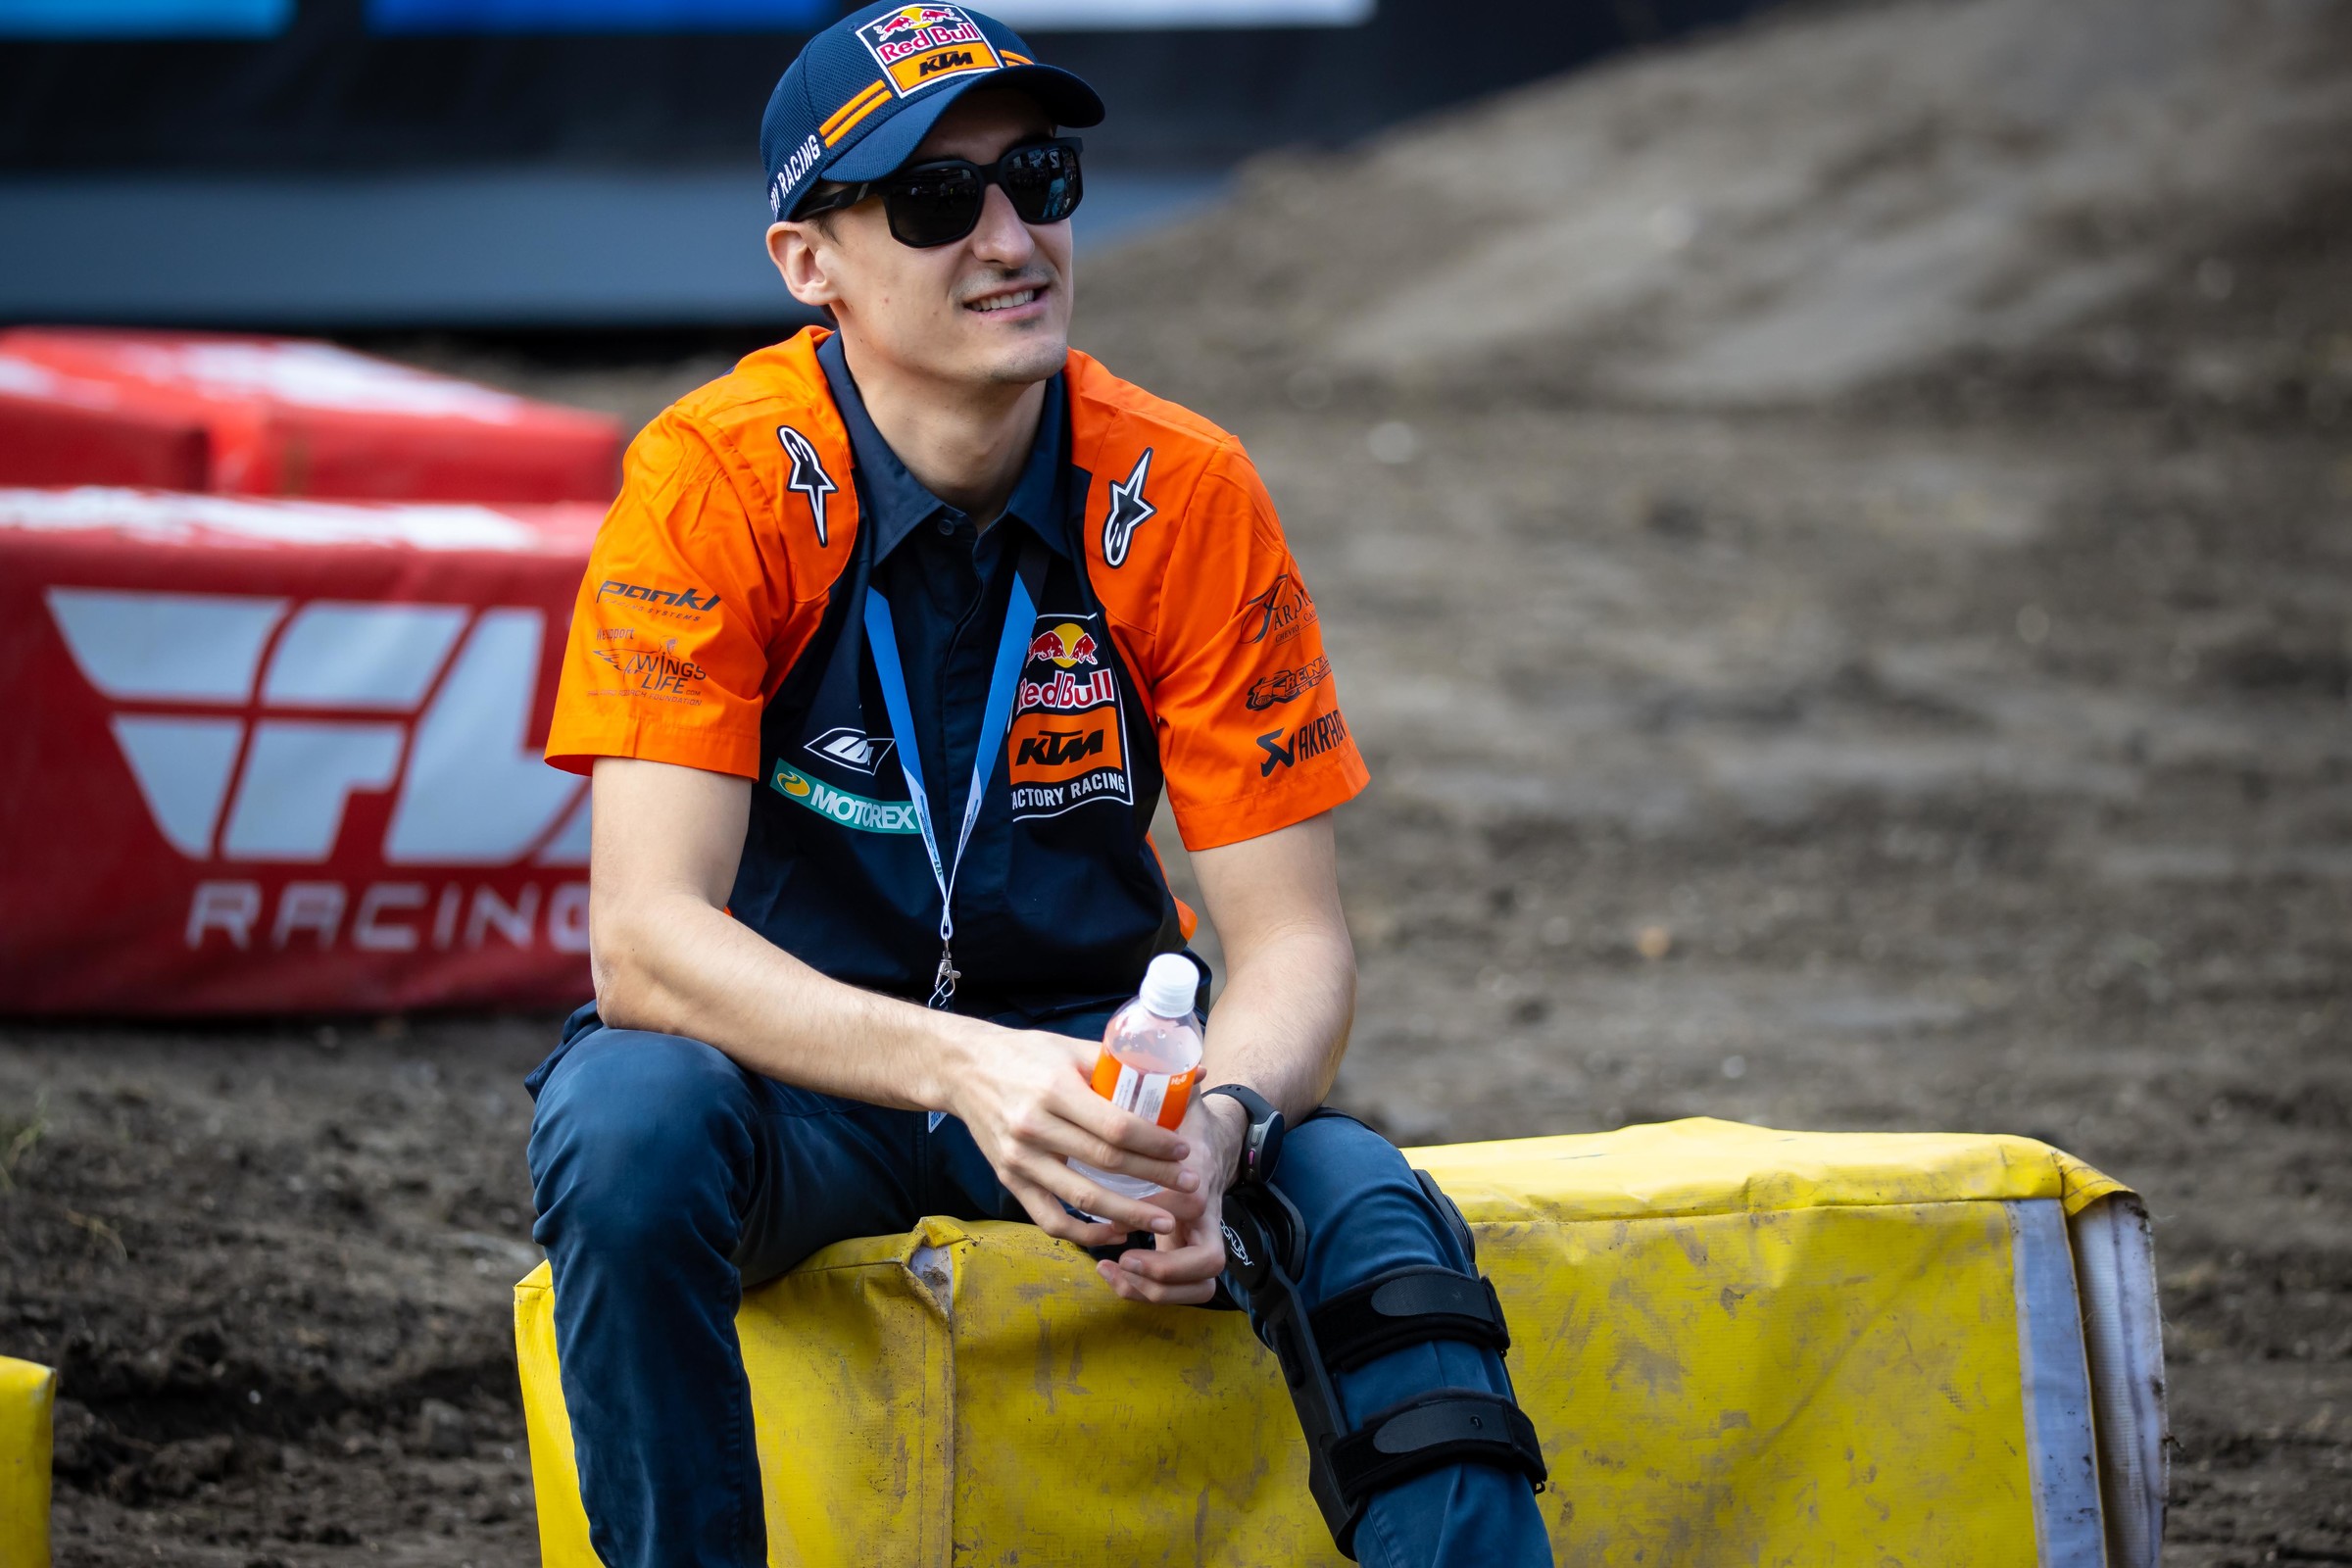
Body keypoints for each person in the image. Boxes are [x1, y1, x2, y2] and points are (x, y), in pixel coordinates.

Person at [525, 5, 1552, 1565]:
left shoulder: (1180, 486)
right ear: (812, 263)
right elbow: (645, 943)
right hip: (799, 1084)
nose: (1010, 238)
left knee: (1360, 1200)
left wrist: (1212, 1125)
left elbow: (1294, 952)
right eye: (938, 203)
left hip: (1094, 1079)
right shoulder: (715, 477)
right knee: (629, 1120)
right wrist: (959, 1068)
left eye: (1042, 179)